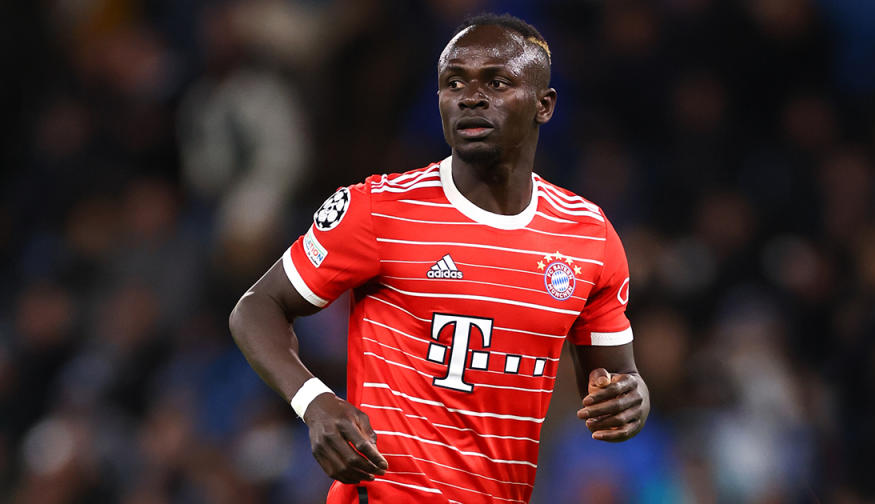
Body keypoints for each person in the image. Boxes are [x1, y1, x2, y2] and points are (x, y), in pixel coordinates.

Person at [229, 13, 650, 503]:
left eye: (496, 81)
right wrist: (315, 401)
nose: (471, 96)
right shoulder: (378, 210)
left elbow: (617, 380)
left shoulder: (588, 235)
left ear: (544, 105)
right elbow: (256, 307)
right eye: (455, 82)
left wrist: (631, 400)